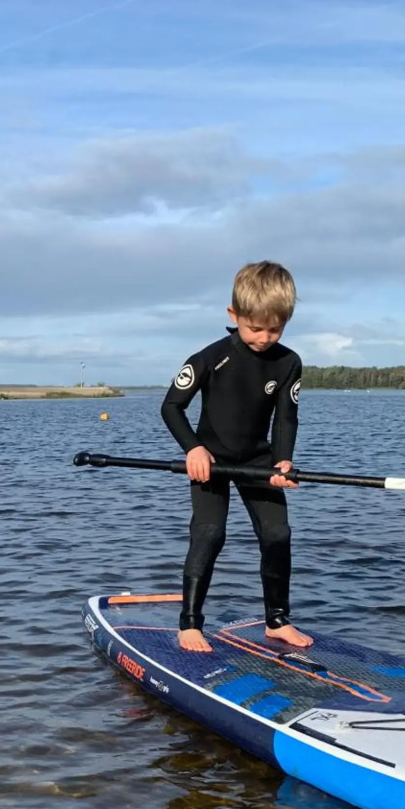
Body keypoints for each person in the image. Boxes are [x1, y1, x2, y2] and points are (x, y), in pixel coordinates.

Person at [160, 261, 309, 653]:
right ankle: (190, 624)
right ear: (234, 316)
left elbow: (286, 416)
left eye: (274, 329)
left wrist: (283, 462)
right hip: (210, 461)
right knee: (210, 534)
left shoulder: (289, 362)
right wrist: (193, 448)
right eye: (255, 328)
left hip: (258, 461)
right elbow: (171, 407)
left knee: (278, 534)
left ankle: (277, 620)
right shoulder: (210, 357)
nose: (264, 338)